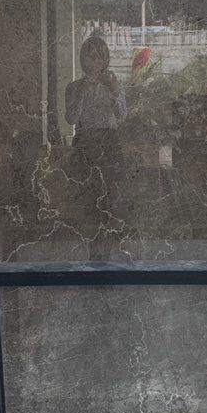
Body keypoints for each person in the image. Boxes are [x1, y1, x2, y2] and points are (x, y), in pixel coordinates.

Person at [64, 36, 127, 258]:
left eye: (100, 57)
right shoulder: (73, 87)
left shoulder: (114, 85)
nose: (95, 63)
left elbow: (122, 115)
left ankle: (107, 254)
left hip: (109, 144)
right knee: (88, 200)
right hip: (85, 144)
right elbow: (71, 119)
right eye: (90, 57)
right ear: (83, 59)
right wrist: (83, 91)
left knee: (110, 199)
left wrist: (114, 91)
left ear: (105, 60)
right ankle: (92, 253)